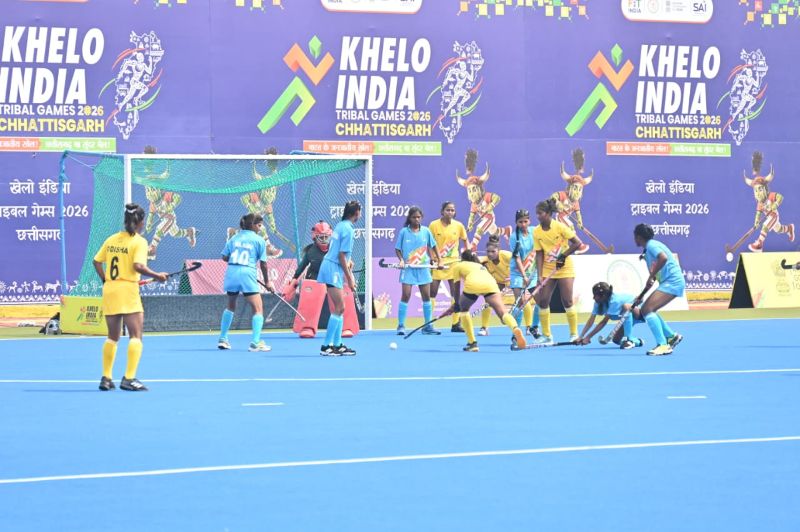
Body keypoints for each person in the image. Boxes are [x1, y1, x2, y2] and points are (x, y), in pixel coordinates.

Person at [93, 203, 168, 392]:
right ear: (140, 221)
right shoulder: (139, 242)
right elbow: (138, 266)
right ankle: (129, 378)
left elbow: (96, 261)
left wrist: (106, 280)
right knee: (136, 335)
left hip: (110, 289)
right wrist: (157, 275)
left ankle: (106, 378)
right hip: (127, 290)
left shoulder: (112, 239)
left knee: (112, 337)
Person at [446, 249, 526, 352]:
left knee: (464, 310)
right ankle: (515, 328)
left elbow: (456, 288)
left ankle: (472, 343)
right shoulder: (480, 266)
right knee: (503, 313)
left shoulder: (458, 266)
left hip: (473, 284)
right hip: (491, 284)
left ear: (462, 258)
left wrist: (457, 304)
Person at [217, 213, 274, 352]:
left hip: (232, 273)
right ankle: (255, 342)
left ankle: (223, 339)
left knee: (230, 305)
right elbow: (264, 264)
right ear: (253, 225)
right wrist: (267, 282)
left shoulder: (234, 238)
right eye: (259, 225)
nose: (260, 228)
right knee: (258, 308)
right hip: (247, 274)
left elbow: (224, 257)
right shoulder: (259, 240)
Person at [531, 198, 584, 344]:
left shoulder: (560, 227)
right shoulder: (536, 231)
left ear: (548, 213)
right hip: (548, 269)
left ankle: (574, 334)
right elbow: (539, 253)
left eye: (540, 213)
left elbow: (577, 243)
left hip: (564, 267)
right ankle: (547, 336)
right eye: (537, 213)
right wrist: (540, 275)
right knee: (543, 301)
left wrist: (563, 256)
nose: (538, 216)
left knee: (567, 300)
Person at [317, 201, 361, 356]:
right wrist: (350, 278)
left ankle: (338, 344)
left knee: (340, 307)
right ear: (356, 213)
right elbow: (341, 255)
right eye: (359, 212)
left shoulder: (341, 225)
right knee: (340, 307)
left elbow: (340, 252)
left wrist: (348, 262)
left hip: (332, 267)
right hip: (332, 268)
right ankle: (326, 346)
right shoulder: (348, 229)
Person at [633, 223, 684, 356]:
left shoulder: (651, 245)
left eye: (635, 236)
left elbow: (663, 258)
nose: (634, 239)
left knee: (647, 309)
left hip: (673, 281)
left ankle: (663, 345)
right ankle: (671, 336)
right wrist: (641, 295)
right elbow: (653, 279)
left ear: (639, 237)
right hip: (668, 282)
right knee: (646, 309)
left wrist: (651, 275)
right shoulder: (648, 251)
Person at [395, 206, 442, 336]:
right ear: (409, 218)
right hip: (408, 269)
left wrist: (439, 260)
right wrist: (401, 260)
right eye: (414, 217)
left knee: (426, 297)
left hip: (423, 268)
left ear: (421, 218)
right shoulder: (404, 232)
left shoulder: (426, 231)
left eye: (419, 217)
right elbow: (397, 249)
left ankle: (428, 326)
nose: (416, 219)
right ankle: (401, 325)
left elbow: (433, 246)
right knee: (406, 295)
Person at [429, 201, 469, 333]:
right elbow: (429, 243)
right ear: (442, 211)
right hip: (438, 263)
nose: (450, 212)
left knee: (455, 293)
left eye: (452, 210)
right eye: (447, 210)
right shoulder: (433, 225)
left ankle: (455, 323)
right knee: (432, 292)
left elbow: (465, 240)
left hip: (454, 263)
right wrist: (432, 257)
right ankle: (429, 324)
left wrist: (467, 254)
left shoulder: (459, 226)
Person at [576, 282, 644, 349]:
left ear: (604, 296)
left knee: (626, 307)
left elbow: (603, 322)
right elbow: (590, 321)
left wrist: (588, 337)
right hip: (627, 317)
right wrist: (581, 336)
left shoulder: (614, 301)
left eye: (596, 295)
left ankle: (628, 339)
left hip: (640, 313)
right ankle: (637, 341)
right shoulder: (598, 302)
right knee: (616, 340)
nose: (594, 298)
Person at [508, 209, 541, 339]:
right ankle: (516, 334)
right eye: (520, 222)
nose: (523, 224)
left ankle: (534, 327)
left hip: (533, 272)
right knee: (520, 302)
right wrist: (524, 276)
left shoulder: (535, 231)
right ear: (516, 222)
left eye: (525, 221)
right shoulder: (514, 237)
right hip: (518, 273)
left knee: (541, 302)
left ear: (529, 221)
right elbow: (516, 258)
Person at [283, 220, 332, 299]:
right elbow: (301, 267)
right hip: (315, 279)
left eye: (326, 237)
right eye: (321, 237)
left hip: (332, 279)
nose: (324, 240)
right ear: (315, 238)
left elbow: (345, 263)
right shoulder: (310, 251)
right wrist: (293, 282)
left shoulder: (336, 249)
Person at [479, 235, 510, 336]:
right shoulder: (485, 260)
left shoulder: (507, 255)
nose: (490, 254)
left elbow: (520, 263)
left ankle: (529, 327)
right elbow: (471, 262)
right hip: (499, 282)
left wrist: (515, 277)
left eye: (493, 252)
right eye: (488, 251)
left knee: (523, 300)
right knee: (488, 300)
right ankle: (484, 328)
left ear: (498, 250)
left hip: (513, 279)